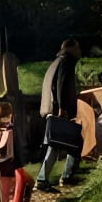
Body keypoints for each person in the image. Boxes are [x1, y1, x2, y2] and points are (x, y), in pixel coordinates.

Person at [37, 37, 82, 192]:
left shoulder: (55, 62)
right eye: (77, 48)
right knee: (72, 142)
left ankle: (47, 178)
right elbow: (61, 84)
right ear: (71, 48)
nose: (79, 51)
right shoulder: (66, 61)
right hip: (58, 109)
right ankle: (63, 177)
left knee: (56, 144)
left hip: (49, 108)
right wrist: (62, 108)